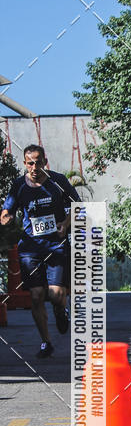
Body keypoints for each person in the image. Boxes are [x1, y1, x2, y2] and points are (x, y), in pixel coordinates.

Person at [1, 144, 80, 358]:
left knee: (55, 294)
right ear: (25, 164)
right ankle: (46, 342)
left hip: (56, 245)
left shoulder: (58, 181)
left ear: (45, 161)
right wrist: (6, 216)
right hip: (30, 248)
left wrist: (66, 223)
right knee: (36, 296)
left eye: (38, 162)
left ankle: (59, 309)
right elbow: (6, 209)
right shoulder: (19, 185)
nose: (34, 167)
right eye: (30, 163)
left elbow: (77, 205)